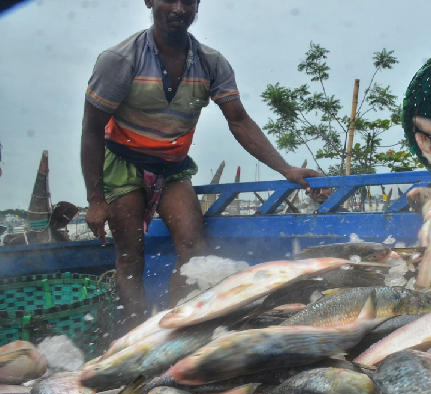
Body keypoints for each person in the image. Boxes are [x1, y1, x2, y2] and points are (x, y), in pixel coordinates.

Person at [80, 0, 325, 333]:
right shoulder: (121, 60)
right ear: (150, 1)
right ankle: (135, 337)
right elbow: (92, 130)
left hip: (172, 166)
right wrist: (96, 199)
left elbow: (238, 121)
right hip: (123, 161)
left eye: (189, 1)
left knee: (195, 251)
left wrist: (287, 169)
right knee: (130, 257)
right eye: (170, 0)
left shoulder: (211, 63)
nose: (180, 9)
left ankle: (174, 330)